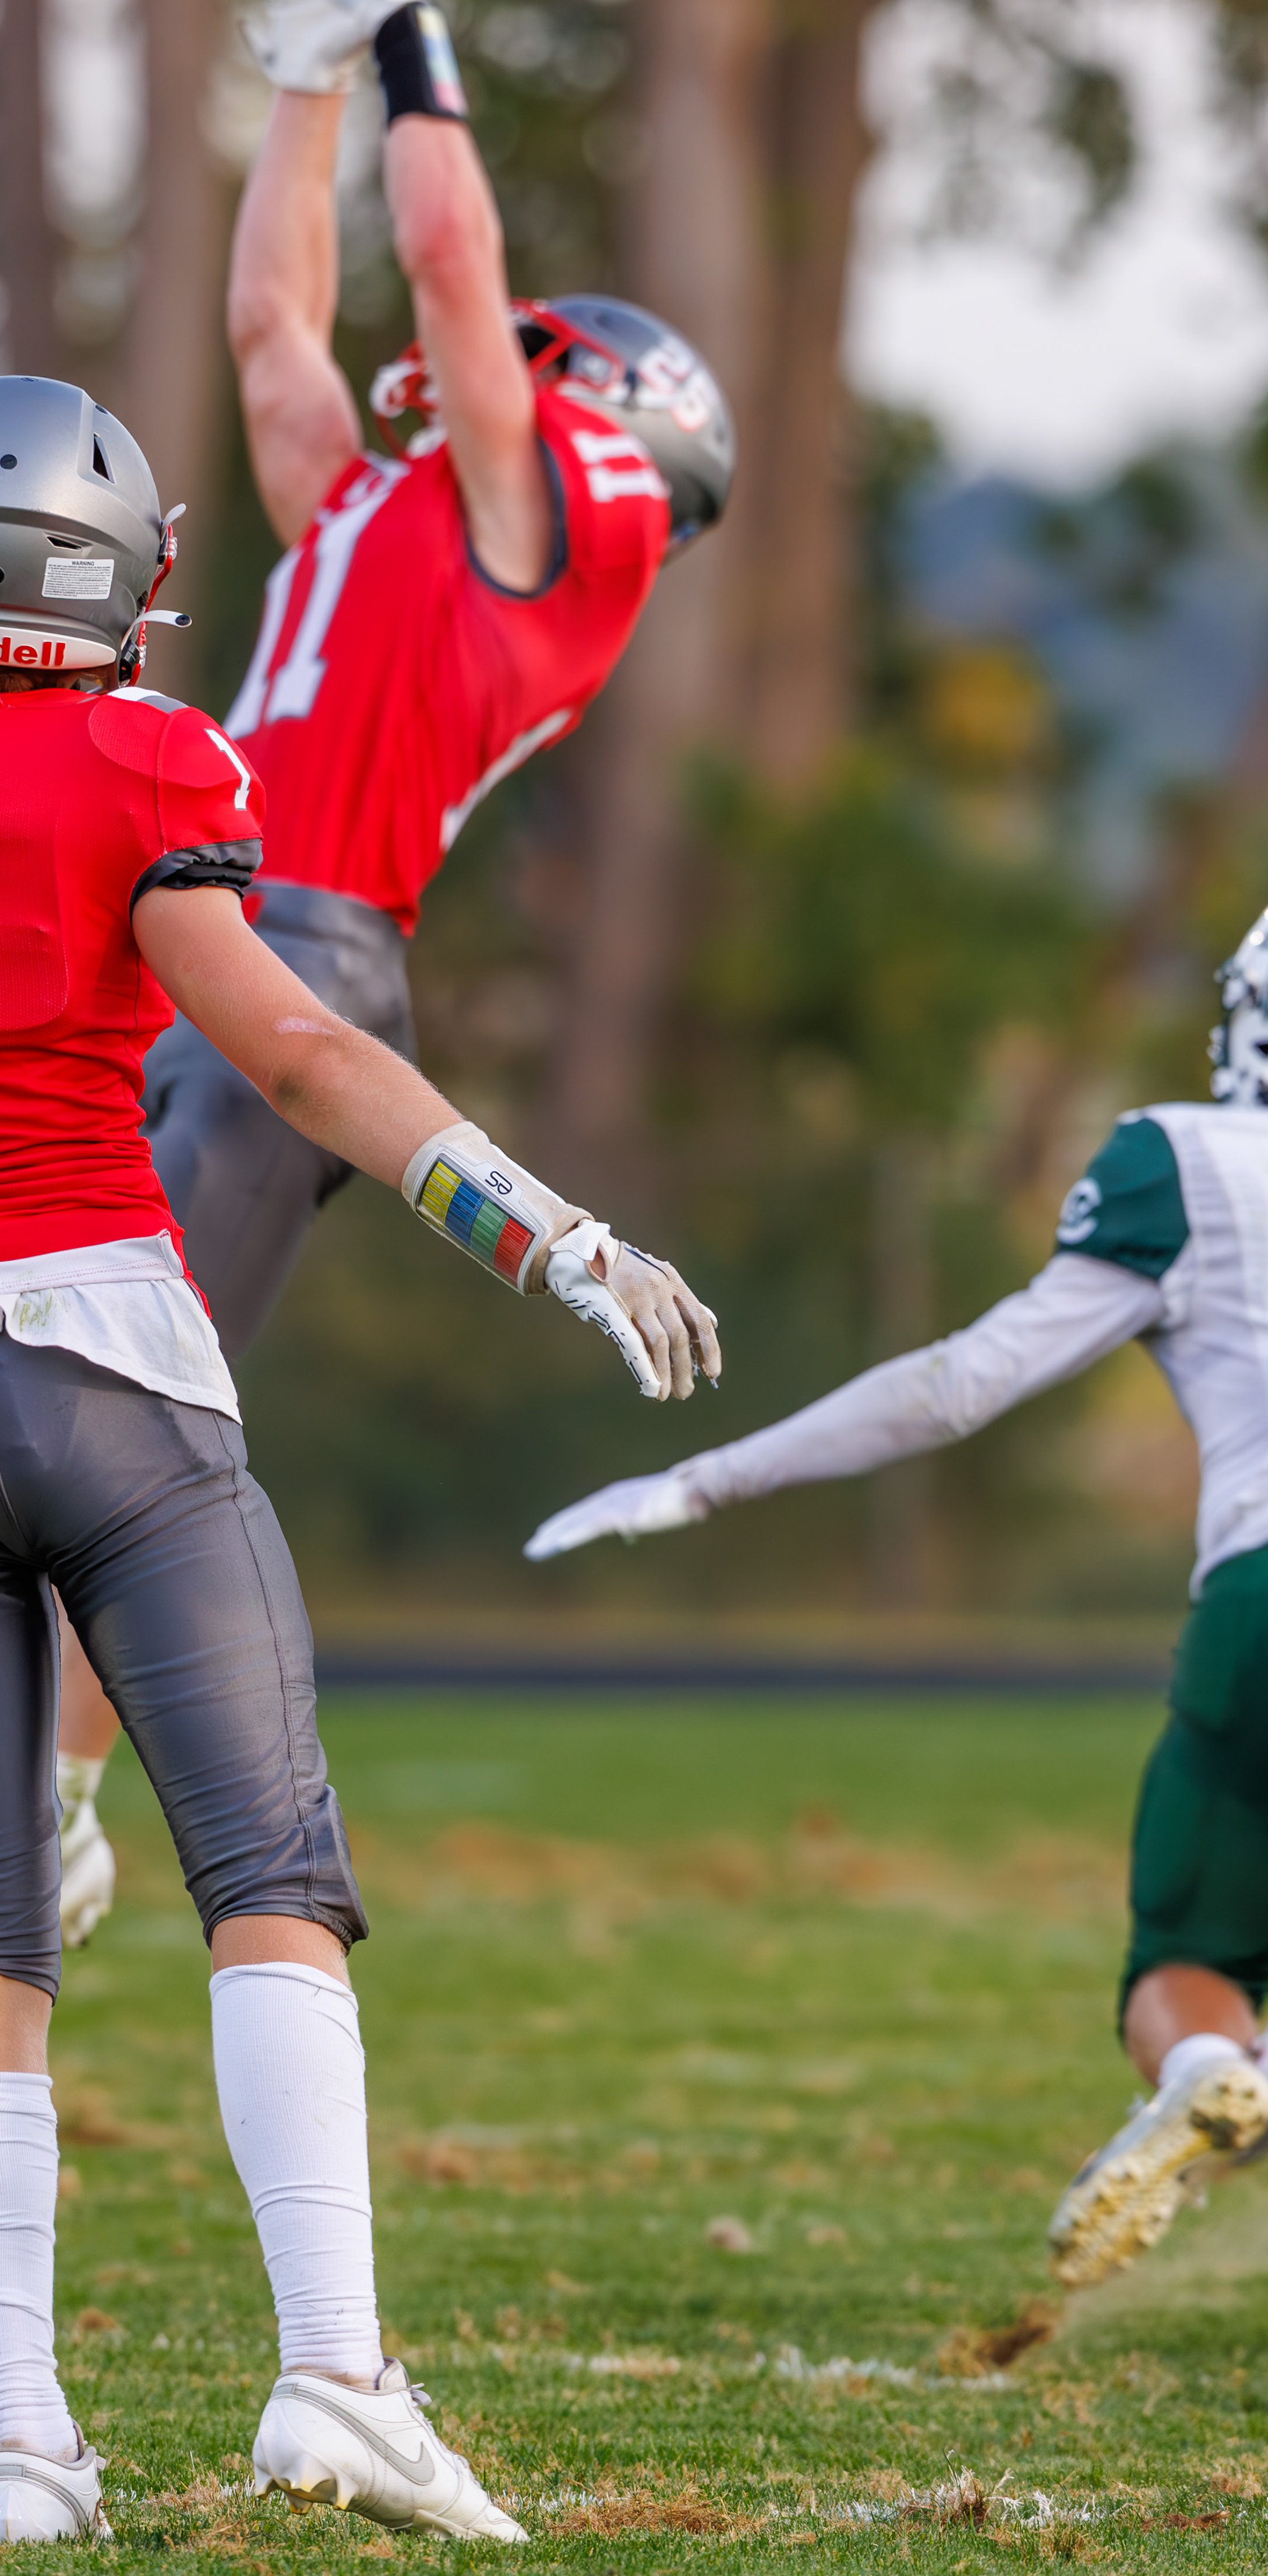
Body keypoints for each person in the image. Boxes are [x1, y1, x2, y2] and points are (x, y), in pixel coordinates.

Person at [0, 371, 720, 2539]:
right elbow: (303, 1053)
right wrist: (556, 1237)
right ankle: (334, 2377)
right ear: (121, 587)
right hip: (110, 1366)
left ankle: (20, 2454)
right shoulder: (139, 760)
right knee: (269, 1881)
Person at [0, 0, 737, 2007]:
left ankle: (40, 1832)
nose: (472, 368)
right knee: (24, 1354)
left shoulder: (550, 538)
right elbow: (269, 329)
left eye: (523, 366)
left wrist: (411, 32)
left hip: (295, 959)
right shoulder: (392, 521)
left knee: (112, 1402)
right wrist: (310, 66)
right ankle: (27, 1825)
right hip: (179, 933)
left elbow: (451, 264)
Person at [525, 911, 1268, 2293]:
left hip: (1259, 1594)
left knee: (1189, 1954)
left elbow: (959, 1386)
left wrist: (708, 1479)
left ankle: (1210, 2066)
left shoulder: (1192, 1160)